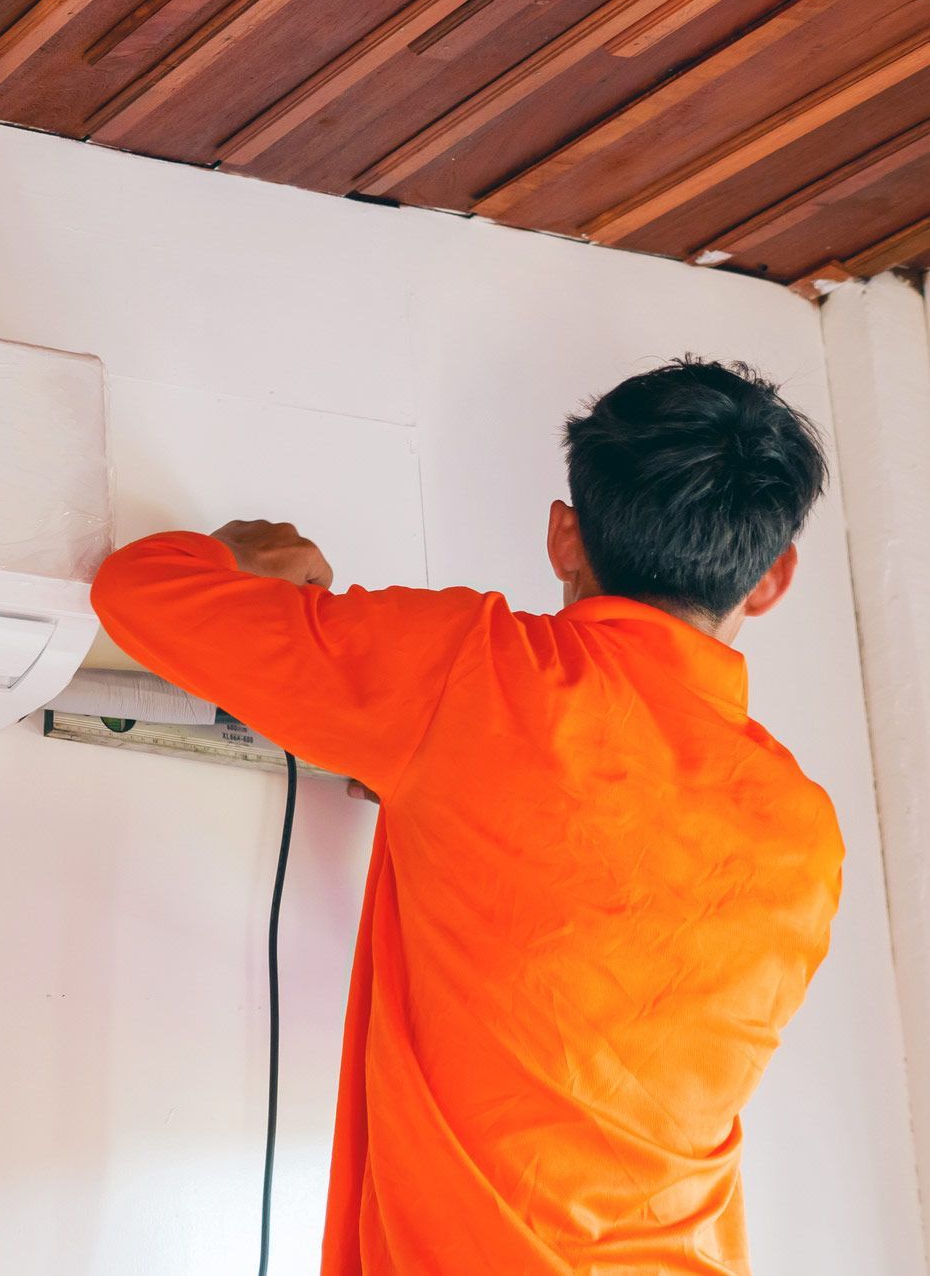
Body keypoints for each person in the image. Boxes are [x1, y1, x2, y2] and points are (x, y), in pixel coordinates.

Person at [91, 358, 841, 1275]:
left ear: (565, 535)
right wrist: (438, 789)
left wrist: (241, 555)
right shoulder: (805, 831)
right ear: (773, 578)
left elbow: (139, 589)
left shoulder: (476, 677)